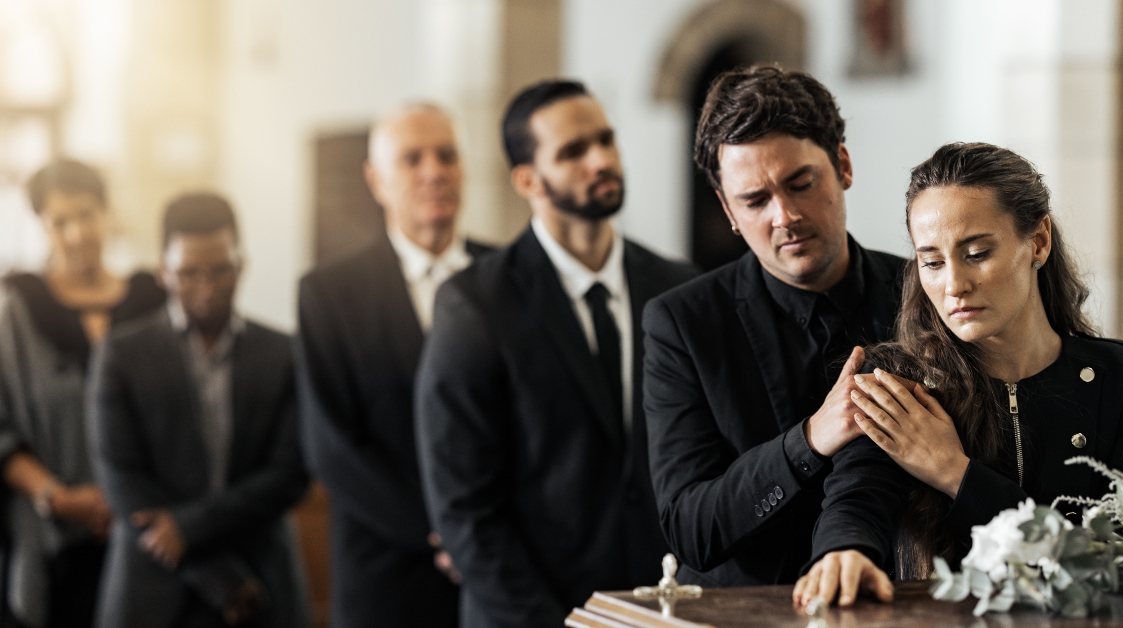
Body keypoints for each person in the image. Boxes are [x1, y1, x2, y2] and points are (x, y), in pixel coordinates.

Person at [793, 143, 1123, 609]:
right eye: (932, 261)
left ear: (1039, 241)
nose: (954, 285)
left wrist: (954, 472)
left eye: (976, 252)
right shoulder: (896, 378)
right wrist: (841, 552)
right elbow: (853, 499)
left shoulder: (1122, 377)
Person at [415, 80, 698, 627]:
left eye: (605, 140)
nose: (601, 160)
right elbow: (464, 509)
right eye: (573, 152)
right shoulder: (475, 304)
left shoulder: (677, 287)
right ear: (527, 179)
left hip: (659, 606)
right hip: (530, 612)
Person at [643, 66, 910, 592]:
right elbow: (691, 529)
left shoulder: (920, 293)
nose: (784, 215)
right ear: (727, 210)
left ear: (843, 165)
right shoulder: (681, 323)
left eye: (800, 184)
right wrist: (810, 440)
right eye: (755, 200)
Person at [295, 103, 492, 627]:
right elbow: (331, 445)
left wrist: (485, 531)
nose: (434, 171)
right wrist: (444, 529)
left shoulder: (509, 276)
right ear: (376, 180)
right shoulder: (329, 293)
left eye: (447, 155)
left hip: (500, 568)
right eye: (412, 159)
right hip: (386, 574)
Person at [88, 193, 309, 628]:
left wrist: (187, 529)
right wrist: (217, 576)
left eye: (220, 271)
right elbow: (121, 479)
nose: (205, 287)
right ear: (163, 272)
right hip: (152, 589)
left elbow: (289, 475)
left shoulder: (283, 354)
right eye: (188, 273)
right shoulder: (121, 355)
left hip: (261, 579)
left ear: (241, 265)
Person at [0, 159, 165, 628]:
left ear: (107, 213)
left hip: (150, 535)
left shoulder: (152, 301)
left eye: (87, 214)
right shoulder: (17, 310)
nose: (76, 234)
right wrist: (59, 497)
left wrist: (129, 499)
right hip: (56, 544)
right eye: (59, 222)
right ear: (42, 227)